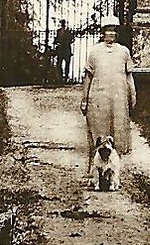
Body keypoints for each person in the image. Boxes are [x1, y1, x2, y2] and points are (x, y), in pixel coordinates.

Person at [81, 15, 135, 154]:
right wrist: (85, 99)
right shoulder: (95, 52)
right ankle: (99, 149)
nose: (111, 33)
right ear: (102, 32)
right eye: (108, 30)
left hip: (119, 94)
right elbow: (88, 76)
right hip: (99, 94)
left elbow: (129, 75)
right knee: (99, 122)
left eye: (113, 30)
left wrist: (133, 94)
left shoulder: (123, 51)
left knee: (118, 121)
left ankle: (118, 150)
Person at [52, 18, 77, 83]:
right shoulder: (59, 31)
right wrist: (56, 42)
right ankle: (60, 77)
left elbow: (72, 39)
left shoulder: (68, 31)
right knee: (59, 63)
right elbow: (56, 39)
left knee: (67, 63)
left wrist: (68, 42)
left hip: (67, 49)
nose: (62, 24)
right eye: (61, 23)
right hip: (60, 49)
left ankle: (66, 77)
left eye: (63, 23)